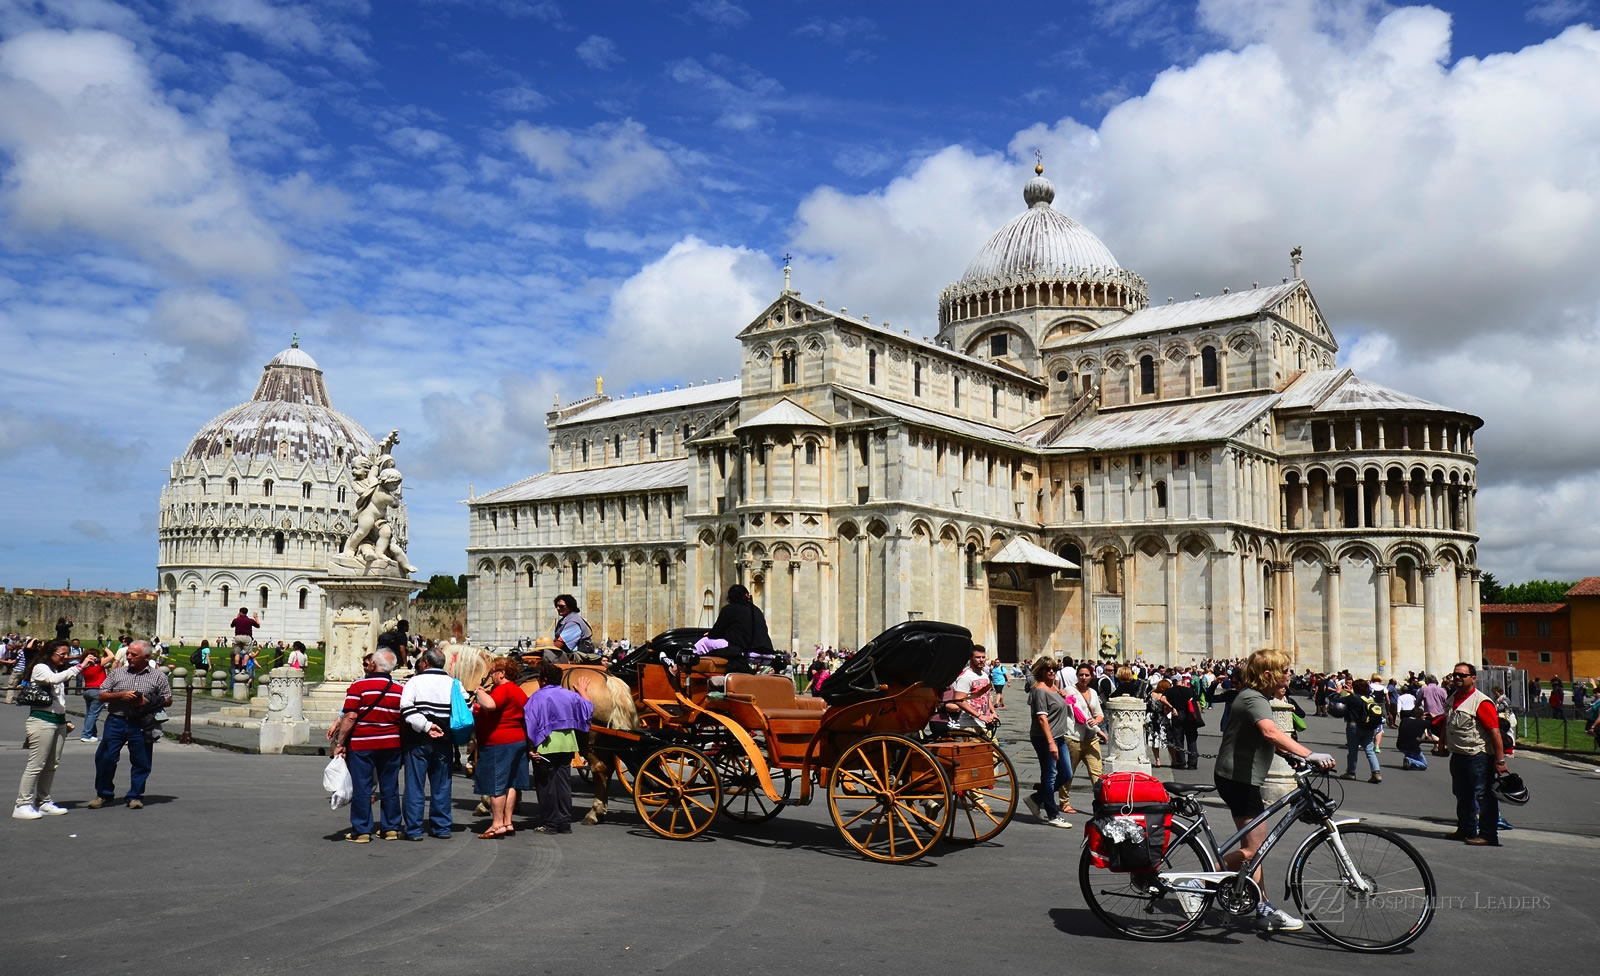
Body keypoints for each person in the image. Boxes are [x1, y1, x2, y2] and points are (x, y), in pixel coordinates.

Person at [1214, 648, 1336, 932]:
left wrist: (1291, 755)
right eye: (1285, 670)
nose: (1289, 675)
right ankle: (1202, 880)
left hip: (1240, 778)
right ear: (1268, 675)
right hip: (1238, 780)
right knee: (1254, 850)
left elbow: (1267, 739)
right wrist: (1308, 754)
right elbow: (1270, 732)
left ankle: (1262, 906)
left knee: (1258, 849)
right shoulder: (1254, 698)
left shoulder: (1258, 697)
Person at [328, 649, 404, 842]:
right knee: (390, 785)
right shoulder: (400, 689)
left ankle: (362, 830)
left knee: (362, 785)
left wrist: (340, 742)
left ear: (373, 665)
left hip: (363, 743)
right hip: (391, 742)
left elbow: (351, 716)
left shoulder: (358, 686)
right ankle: (391, 828)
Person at [89, 640, 172, 810]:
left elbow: (168, 699)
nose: (128, 657)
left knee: (141, 761)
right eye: (128, 653)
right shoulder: (117, 673)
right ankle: (103, 793)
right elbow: (102, 694)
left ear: (146, 657)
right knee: (105, 757)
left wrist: (146, 701)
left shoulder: (158, 676)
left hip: (141, 722)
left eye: (133, 655)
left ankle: (135, 795)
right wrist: (121, 695)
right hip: (116, 720)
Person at [13, 640, 87, 819]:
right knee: (36, 764)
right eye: (62, 654)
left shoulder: (55, 669)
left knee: (52, 764)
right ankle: (22, 803)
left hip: (58, 721)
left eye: (67, 653)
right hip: (42, 720)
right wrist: (80, 666)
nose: (65, 657)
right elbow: (53, 680)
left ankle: (43, 800)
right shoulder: (40, 668)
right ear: (50, 653)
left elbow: (58, 699)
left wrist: (64, 720)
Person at [1440, 662, 1508, 846]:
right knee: (1462, 794)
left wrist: (1500, 760)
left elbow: (1495, 732)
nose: (1457, 678)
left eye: (1462, 675)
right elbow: (1447, 723)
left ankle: (1488, 834)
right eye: (1455, 674)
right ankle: (1466, 829)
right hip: (1459, 754)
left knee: (1483, 795)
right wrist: (1441, 745)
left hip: (1479, 755)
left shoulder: (1481, 701)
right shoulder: (1453, 697)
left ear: (1473, 678)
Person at [522, 659, 593, 835]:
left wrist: (531, 748)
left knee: (546, 785)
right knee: (563, 784)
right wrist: (583, 691)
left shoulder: (538, 696)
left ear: (544, 679)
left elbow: (530, 723)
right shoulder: (569, 695)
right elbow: (588, 708)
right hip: (568, 744)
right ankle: (564, 822)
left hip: (546, 746)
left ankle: (551, 823)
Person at [398, 647, 459, 840]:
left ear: (424, 663)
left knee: (415, 785)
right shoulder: (454, 683)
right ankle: (442, 827)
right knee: (442, 784)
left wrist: (426, 726)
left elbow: (406, 708)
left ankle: (414, 829)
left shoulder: (414, 682)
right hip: (444, 739)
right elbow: (465, 708)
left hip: (418, 739)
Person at [471, 655, 530, 839]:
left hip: (499, 742)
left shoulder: (503, 689)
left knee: (497, 785)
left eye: (493, 673)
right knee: (511, 784)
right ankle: (507, 821)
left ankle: (496, 824)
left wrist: (479, 693)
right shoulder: (518, 691)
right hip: (518, 740)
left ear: (502, 673)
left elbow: (490, 704)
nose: (492, 676)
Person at [1022, 659, 1073, 828]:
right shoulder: (1039, 691)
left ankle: (1036, 798)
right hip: (1045, 738)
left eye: (1054, 668)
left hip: (1059, 736)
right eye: (1047, 669)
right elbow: (1042, 718)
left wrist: (1062, 696)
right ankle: (1053, 814)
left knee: (1066, 774)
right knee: (1050, 775)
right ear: (1041, 671)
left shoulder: (1054, 688)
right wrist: (1051, 743)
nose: (1051, 671)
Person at [694, 584, 774, 672]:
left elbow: (715, 633)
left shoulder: (729, 609)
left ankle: (683, 668)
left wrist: (710, 634)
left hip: (746, 652)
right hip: (767, 655)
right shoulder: (757, 610)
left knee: (703, 642)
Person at [1058, 664, 1105, 814]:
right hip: (1074, 737)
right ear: (1077, 676)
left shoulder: (1093, 692)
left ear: (1092, 676)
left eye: (1086, 675)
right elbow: (1079, 716)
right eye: (1081, 675)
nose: (1084, 678)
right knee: (1068, 772)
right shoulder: (1070, 691)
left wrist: (1097, 721)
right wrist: (1100, 731)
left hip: (1091, 739)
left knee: (1097, 773)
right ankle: (1064, 802)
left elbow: (1099, 713)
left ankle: (1101, 803)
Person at [1338, 678, 1383, 783]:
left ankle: (1351, 772)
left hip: (1354, 726)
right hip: (1369, 727)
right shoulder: (1370, 698)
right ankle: (1376, 772)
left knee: (1353, 750)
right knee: (1370, 750)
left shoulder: (1353, 698)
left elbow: (1337, 700)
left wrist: (1340, 692)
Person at [949, 645, 997, 736]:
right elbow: (959, 700)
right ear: (971, 658)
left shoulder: (984, 675)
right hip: (970, 725)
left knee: (993, 749)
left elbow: (986, 696)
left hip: (985, 723)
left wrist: (993, 712)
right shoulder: (965, 677)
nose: (981, 660)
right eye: (978, 657)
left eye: (983, 657)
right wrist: (979, 716)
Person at [1164, 675, 1202, 769]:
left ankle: (1180, 762)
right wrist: (1198, 715)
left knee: (1178, 739)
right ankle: (1192, 763)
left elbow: (1162, 699)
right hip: (1190, 715)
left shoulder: (1170, 691)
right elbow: (1197, 703)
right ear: (1181, 681)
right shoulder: (1189, 690)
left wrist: (1172, 707)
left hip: (1177, 714)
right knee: (1191, 739)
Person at [547, 594, 595, 663]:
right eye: (556, 606)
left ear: (570, 606)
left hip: (578, 658)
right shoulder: (565, 620)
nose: (558, 608)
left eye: (561, 606)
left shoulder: (573, 622)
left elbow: (559, 644)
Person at [80, 649, 108, 742]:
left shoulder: (84, 667)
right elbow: (111, 656)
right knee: (93, 714)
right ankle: (86, 734)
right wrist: (105, 649)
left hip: (87, 690)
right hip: (98, 690)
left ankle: (92, 734)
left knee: (89, 714)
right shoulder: (99, 666)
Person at [1397, 705, 1432, 770]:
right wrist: (1431, 715)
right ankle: (1410, 760)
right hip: (1413, 747)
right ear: (1421, 715)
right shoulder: (1423, 723)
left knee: (1409, 752)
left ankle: (1408, 762)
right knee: (1424, 765)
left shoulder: (1404, 720)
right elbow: (1433, 723)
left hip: (1400, 745)